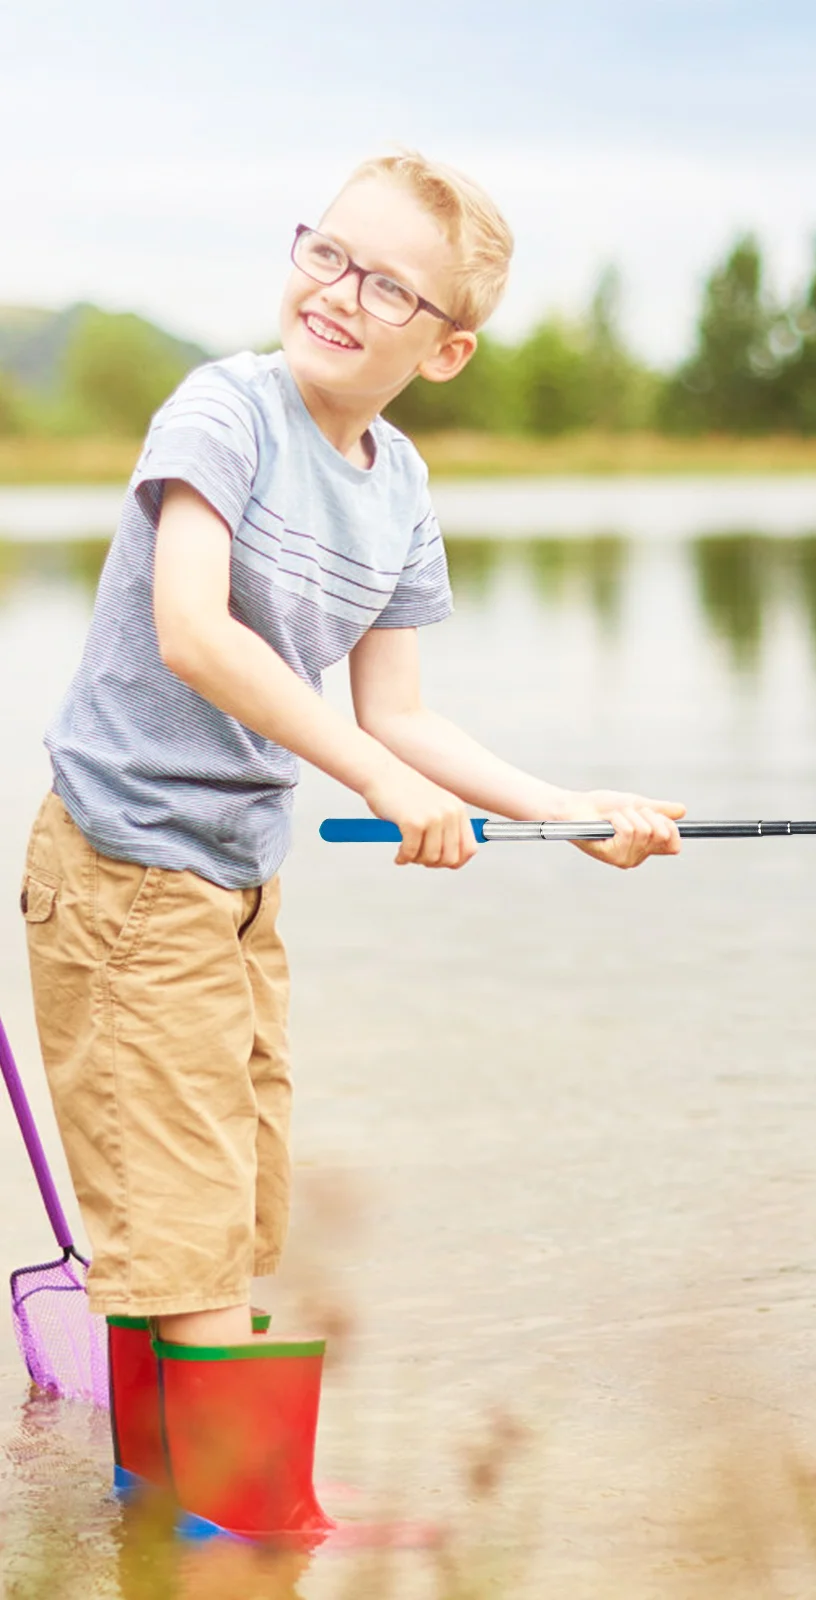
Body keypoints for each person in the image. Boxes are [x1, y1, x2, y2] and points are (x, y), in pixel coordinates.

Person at [18, 149, 682, 1546]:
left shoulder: (398, 487)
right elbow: (199, 634)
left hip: (236, 886)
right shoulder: (225, 411)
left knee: (231, 1204)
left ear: (445, 348)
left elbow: (403, 714)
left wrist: (564, 812)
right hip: (128, 876)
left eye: (387, 285)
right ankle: (247, 1519)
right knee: (191, 1211)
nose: (338, 292)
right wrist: (376, 780)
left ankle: (168, 1501)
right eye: (328, 253)